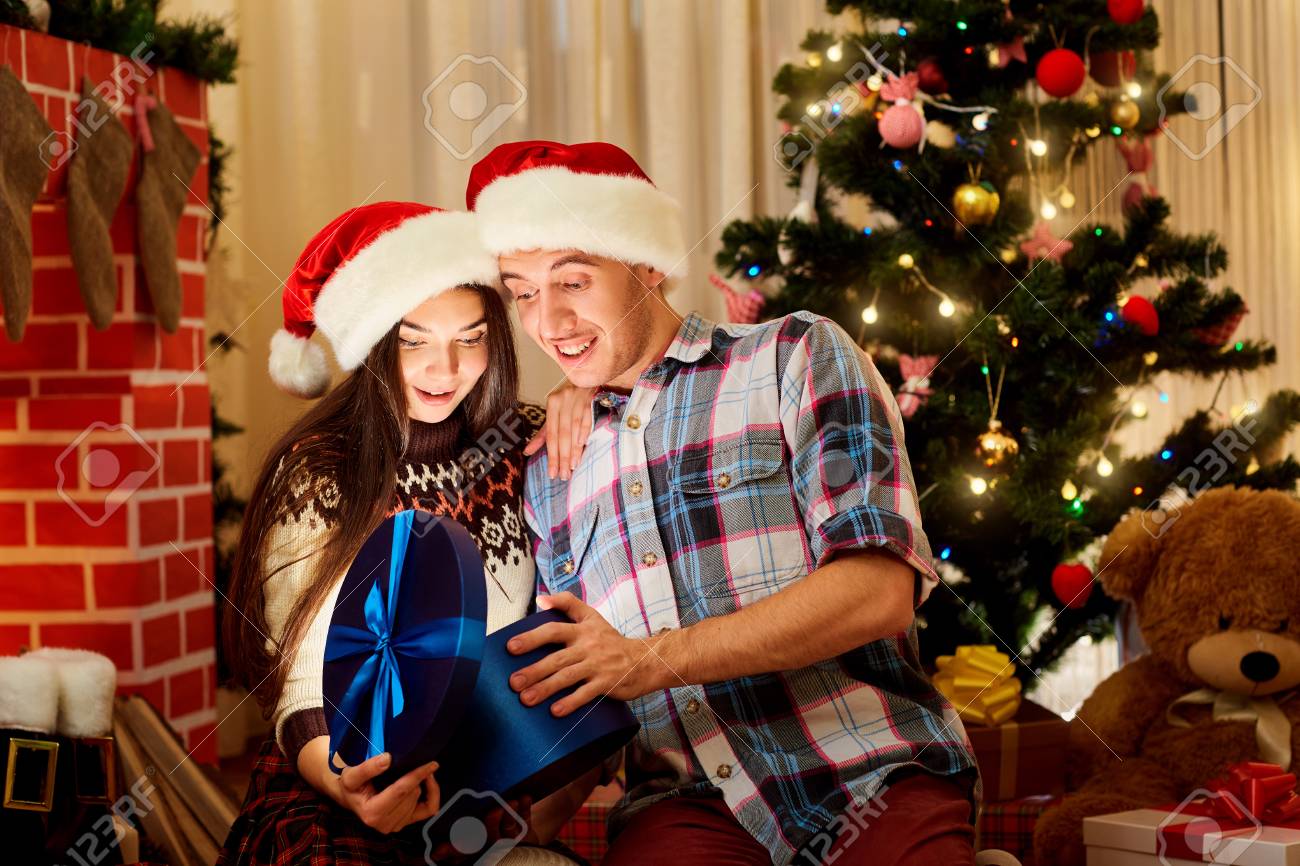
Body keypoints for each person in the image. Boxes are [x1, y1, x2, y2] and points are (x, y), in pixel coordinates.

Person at [467, 142, 981, 865]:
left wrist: (652, 660)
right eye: (522, 292)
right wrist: (486, 833)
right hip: (684, 809)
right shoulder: (552, 466)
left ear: (645, 262)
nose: (548, 321)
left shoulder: (794, 357)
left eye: (573, 281)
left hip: (867, 772)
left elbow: (879, 591)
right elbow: (587, 696)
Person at [218, 202, 593, 866]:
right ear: (370, 339)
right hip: (333, 778)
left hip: (483, 783)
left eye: (470, 337)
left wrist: (587, 392)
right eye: (412, 340)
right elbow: (303, 683)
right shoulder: (320, 470)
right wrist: (348, 784)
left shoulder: (526, 446)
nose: (442, 369)